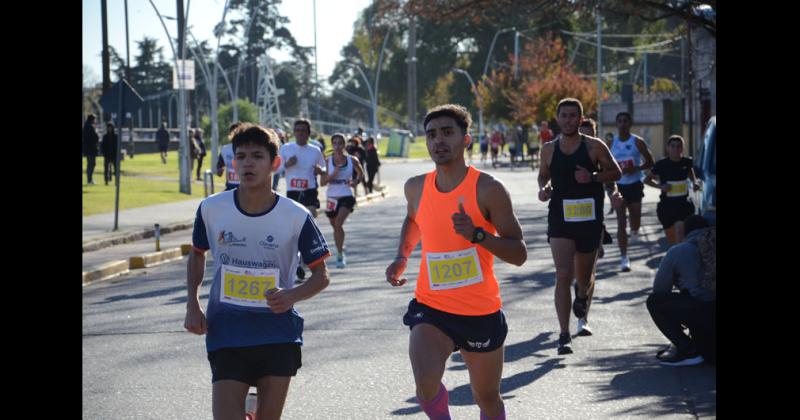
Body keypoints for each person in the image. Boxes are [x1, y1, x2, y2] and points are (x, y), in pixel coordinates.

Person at [385, 104, 527, 420]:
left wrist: (477, 235)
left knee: (486, 397)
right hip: (431, 305)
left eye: (448, 132)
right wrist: (401, 256)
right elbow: (413, 220)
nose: (439, 141)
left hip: (479, 310)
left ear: (466, 139)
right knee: (424, 385)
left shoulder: (489, 189)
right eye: (432, 134)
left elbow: (519, 253)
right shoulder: (416, 187)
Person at [184, 123, 331, 419]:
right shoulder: (211, 209)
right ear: (232, 163)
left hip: (277, 333)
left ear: (275, 163)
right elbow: (197, 254)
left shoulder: (295, 216)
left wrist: (291, 296)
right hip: (227, 331)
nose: (247, 163)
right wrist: (192, 303)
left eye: (256, 156)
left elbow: (321, 276)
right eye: (241, 156)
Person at [537, 98, 621, 354]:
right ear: (558, 118)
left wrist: (593, 177)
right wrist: (544, 188)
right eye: (564, 115)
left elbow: (616, 172)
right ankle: (564, 334)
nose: (568, 120)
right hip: (560, 218)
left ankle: (582, 296)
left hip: (588, 219)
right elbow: (543, 174)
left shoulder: (595, 146)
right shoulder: (549, 149)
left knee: (583, 278)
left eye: (573, 116)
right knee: (563, 274)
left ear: (580, 118)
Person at [646, 215, 715, 366]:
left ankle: (689, 351)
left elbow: (659, 290)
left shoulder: (679, 251)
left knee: (655, 302)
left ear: (686, 233)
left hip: (702, 314)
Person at [279, 119, 327, 282]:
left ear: (308, 133)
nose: (300, 133)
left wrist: (321, 170)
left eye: (303, 131)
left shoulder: (315, 150)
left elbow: (324, 167)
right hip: (293, 191)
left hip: (310, 191)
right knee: (293, 230)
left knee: (308, 221)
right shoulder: (286, 148)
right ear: (294, 132)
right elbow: (276, 168)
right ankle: (298, 262)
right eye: (297, 130)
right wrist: (287, 164)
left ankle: (304, 259)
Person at [610, 112, 655, 272]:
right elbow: (604, 164)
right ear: (616, 124)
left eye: (625, 121)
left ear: (630, 123)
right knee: (621, 221)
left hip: (635, 184)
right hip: (619, 186)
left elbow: (650, 162)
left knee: (635, 216)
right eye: (620, 121)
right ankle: (624, 257)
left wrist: (635, 168)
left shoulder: (637, 142)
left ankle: (635, 230)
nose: (622, 124)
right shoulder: (611, 142)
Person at [644, 135, 701, 245]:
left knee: (680, 235)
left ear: (682, 148)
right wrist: (661, 187)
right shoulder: (661, 164)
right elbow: (646, 180)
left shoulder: (687, 162)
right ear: (667, 148)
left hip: (683, 206)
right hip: (667, 207)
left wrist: (695, 183)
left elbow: (692, 176)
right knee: (672, 241)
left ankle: (681, 259)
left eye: (679, 146)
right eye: (673, 146)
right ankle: (676, 257)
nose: (676, 149)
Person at [320, 133, 364, 269]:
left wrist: (356, 181)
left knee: (338, 224)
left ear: (344, 145)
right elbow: (322, 182)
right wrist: (333, 174)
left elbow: (361, 173)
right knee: (335, 227)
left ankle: (339, 254)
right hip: (332, 196)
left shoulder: (352, 160)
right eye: (335, 143)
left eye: (340, 143)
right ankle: (341, 247)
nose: (337, 146)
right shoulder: (328, 160)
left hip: (346, 195)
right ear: (332, 145)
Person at [217, 122, 243, 191]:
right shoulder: (225, 149)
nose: (235, 135)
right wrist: (219, 170)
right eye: (233, 133)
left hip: (245, 188)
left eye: (238, 133)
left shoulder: (248, 149)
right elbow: (219, 165)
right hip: (230, 187)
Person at [83, 114, 99, 185]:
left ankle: (90, 179)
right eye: (94, 119)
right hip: (91, 149)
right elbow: (95, 138)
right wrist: (96, 131)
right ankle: (89, 180)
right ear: (92, 120)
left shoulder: (85, 127)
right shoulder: (91, 127)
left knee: (91, 164)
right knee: (91, 164)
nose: (95, 121)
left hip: (87, 149)